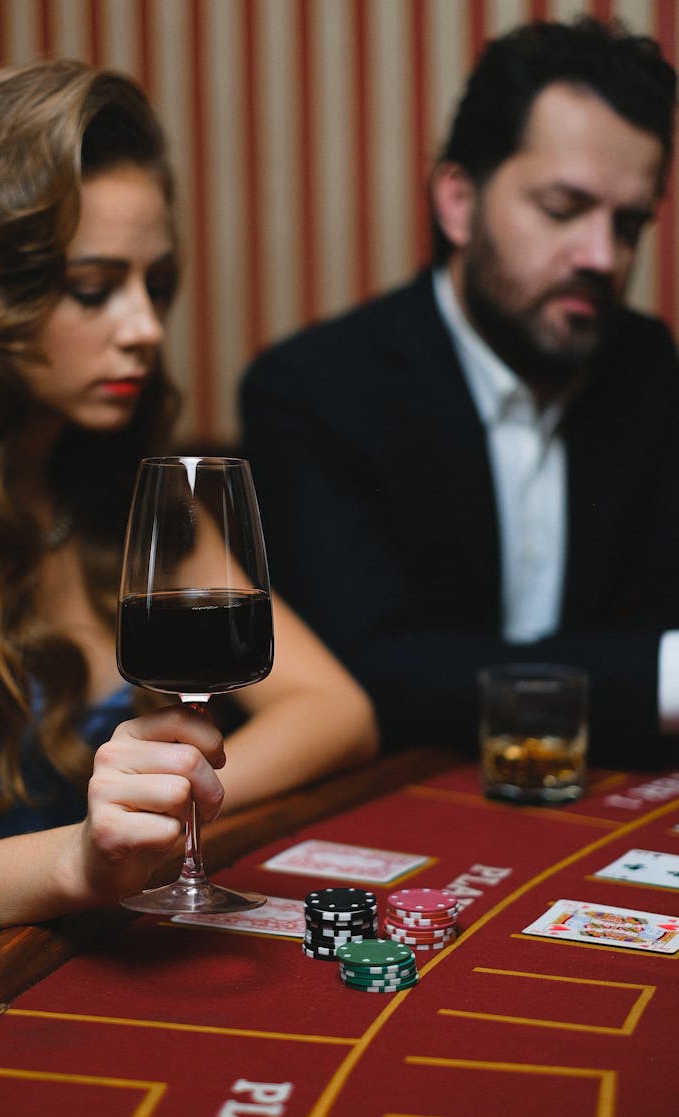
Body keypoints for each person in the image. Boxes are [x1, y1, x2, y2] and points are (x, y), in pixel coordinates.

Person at [0, 59, 379, 957]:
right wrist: (78, 859)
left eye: (155, 283)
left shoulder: (117, 494)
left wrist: (161, 816)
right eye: (93, 288)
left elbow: (336, 709)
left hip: (81, 959)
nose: (145, 326)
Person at [240, 17, 679, 769]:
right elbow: (373, 675)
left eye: (629, 222)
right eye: (563, 208)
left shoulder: (645, 365)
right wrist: (660, 675)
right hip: (391, 802)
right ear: (458, 201)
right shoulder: (315, 389)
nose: (604, 257)